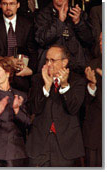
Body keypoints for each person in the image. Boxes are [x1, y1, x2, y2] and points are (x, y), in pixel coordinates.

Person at [26, 45, 86, 167]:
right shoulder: (37, 79)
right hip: (40, 143)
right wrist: (46, 86)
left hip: (65, 145)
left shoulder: (77, 81)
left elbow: (73, 108)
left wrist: (64, 86)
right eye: (47, 60)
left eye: (52, 60)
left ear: (64, 62)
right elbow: (34, 109)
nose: (48, 64)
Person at [0, 0, 38, 92]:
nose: (8, 7)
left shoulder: (27, 24)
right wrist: (8, 62)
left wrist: (30, 70)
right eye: (5, 4)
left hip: (21, 77)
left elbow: (33, 51)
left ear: (18, 5)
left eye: (12, 4)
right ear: (0, 5)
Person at [34, 0, 93, 74]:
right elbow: (41, 39)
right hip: (50, 69)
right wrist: (60, 21)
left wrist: (78, 23)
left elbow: (89, 40)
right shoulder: (42, 15)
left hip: (77, 69)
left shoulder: (78, 13)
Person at [83, 32, 102, 167]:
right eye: (100, 40)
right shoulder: (93, 65)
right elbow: (86, 102)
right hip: (95, 133)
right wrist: (92, 85)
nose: (101, 43)